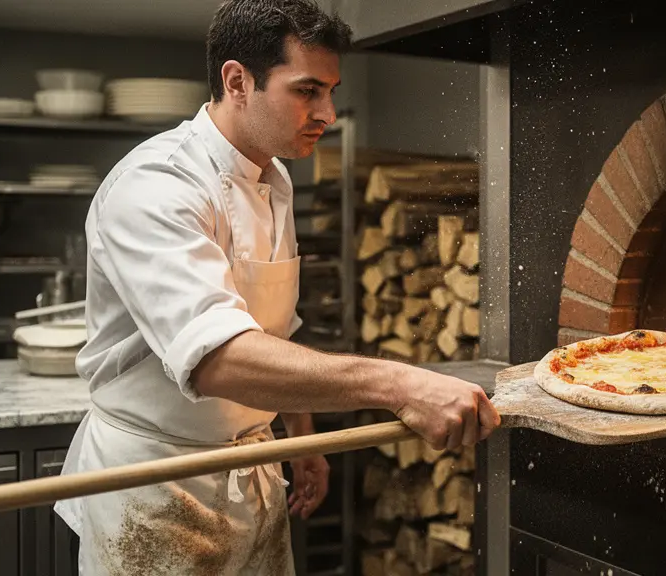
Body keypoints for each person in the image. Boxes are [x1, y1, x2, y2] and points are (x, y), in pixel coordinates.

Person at [53, 1, 500, 573]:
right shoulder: (156, 186)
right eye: (308, 90)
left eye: (331, 91)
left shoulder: (274, 175)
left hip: (256, 470)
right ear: (237, 81)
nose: (329, 113)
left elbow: (269, 327)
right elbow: (218, 358)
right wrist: (402, 384)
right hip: (153, 489)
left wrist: (302, 433)